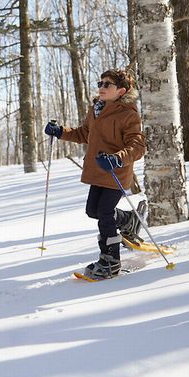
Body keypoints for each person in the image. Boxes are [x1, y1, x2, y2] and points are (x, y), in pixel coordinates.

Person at [44, 68, 146, 280]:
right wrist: (60, 131)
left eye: (107, 84)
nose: (101, 87)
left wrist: (118, 157)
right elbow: (84, 133)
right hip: (98, 170)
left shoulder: (128, 114)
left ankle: (111, 259)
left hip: (115, 171)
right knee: (93, 210)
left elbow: (138, 145)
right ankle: (127, 220)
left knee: (105, 214)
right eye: (100, 83)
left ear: (121, 91)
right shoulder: (97, 109)